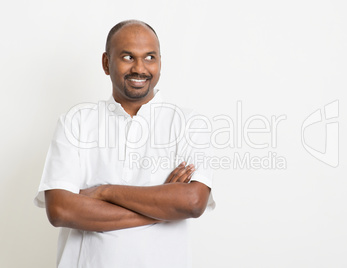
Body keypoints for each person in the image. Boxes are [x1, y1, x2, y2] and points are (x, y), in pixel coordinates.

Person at [34, 19, 215, 268]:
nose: (140, 68)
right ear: (106, 63)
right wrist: (163, 208)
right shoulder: (76, 122)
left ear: (160, 62)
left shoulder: (189, 123)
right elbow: (60, 211)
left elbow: (193, 202)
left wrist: (103, 192)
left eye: (150, 57)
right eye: (128, 57)